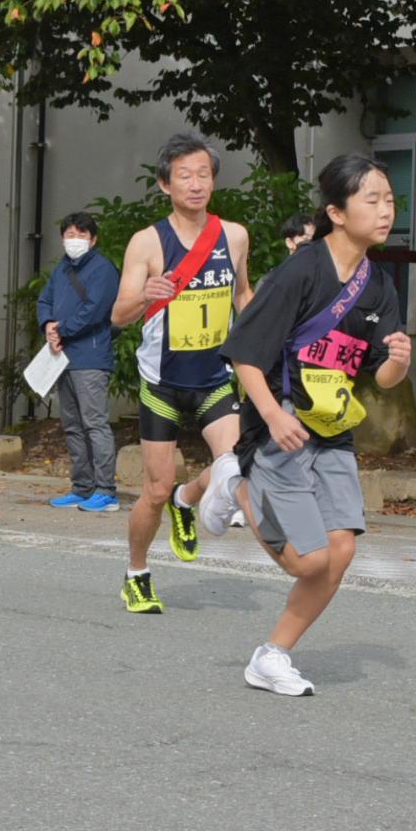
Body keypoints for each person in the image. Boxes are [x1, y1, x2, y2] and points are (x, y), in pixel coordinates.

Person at [195, 154, 411, 694]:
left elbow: (380, 378)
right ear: (337, 212)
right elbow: (245, 353)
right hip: (278, 427)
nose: (385, 211)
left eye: (389, 200)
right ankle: (235, 483)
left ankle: (272, 655)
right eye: (373, 200)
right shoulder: (300, 271)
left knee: (340, 551)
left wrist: (399, 362)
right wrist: (269, 416)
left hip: (333, 426)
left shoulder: (378, 284)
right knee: (307, 561)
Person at [107, 134, 254, 614]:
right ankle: (136, 572)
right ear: (164, 184)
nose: (196, 184)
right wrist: (146, 293)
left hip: (214, 376)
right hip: (163, 384)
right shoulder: (147, 242)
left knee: (238, 462)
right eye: (185, 176)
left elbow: (243, 298)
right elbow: (119, 314)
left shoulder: (233, 236)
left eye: (204, 175)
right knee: (153, 489)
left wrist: (264, 347)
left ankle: (187, 500)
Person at [38, 212, 121, 512]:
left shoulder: (103, 269)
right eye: (69, 235)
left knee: (95, 424)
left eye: (81, 235)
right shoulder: (62, 269)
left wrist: (62, 331)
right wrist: (47, 323)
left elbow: (95, 309)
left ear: (93, 239)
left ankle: (106, 490)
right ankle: (82, 487)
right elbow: (44, 300)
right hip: (64, 357)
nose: (74, 240)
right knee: (72, 425)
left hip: (91, 357)